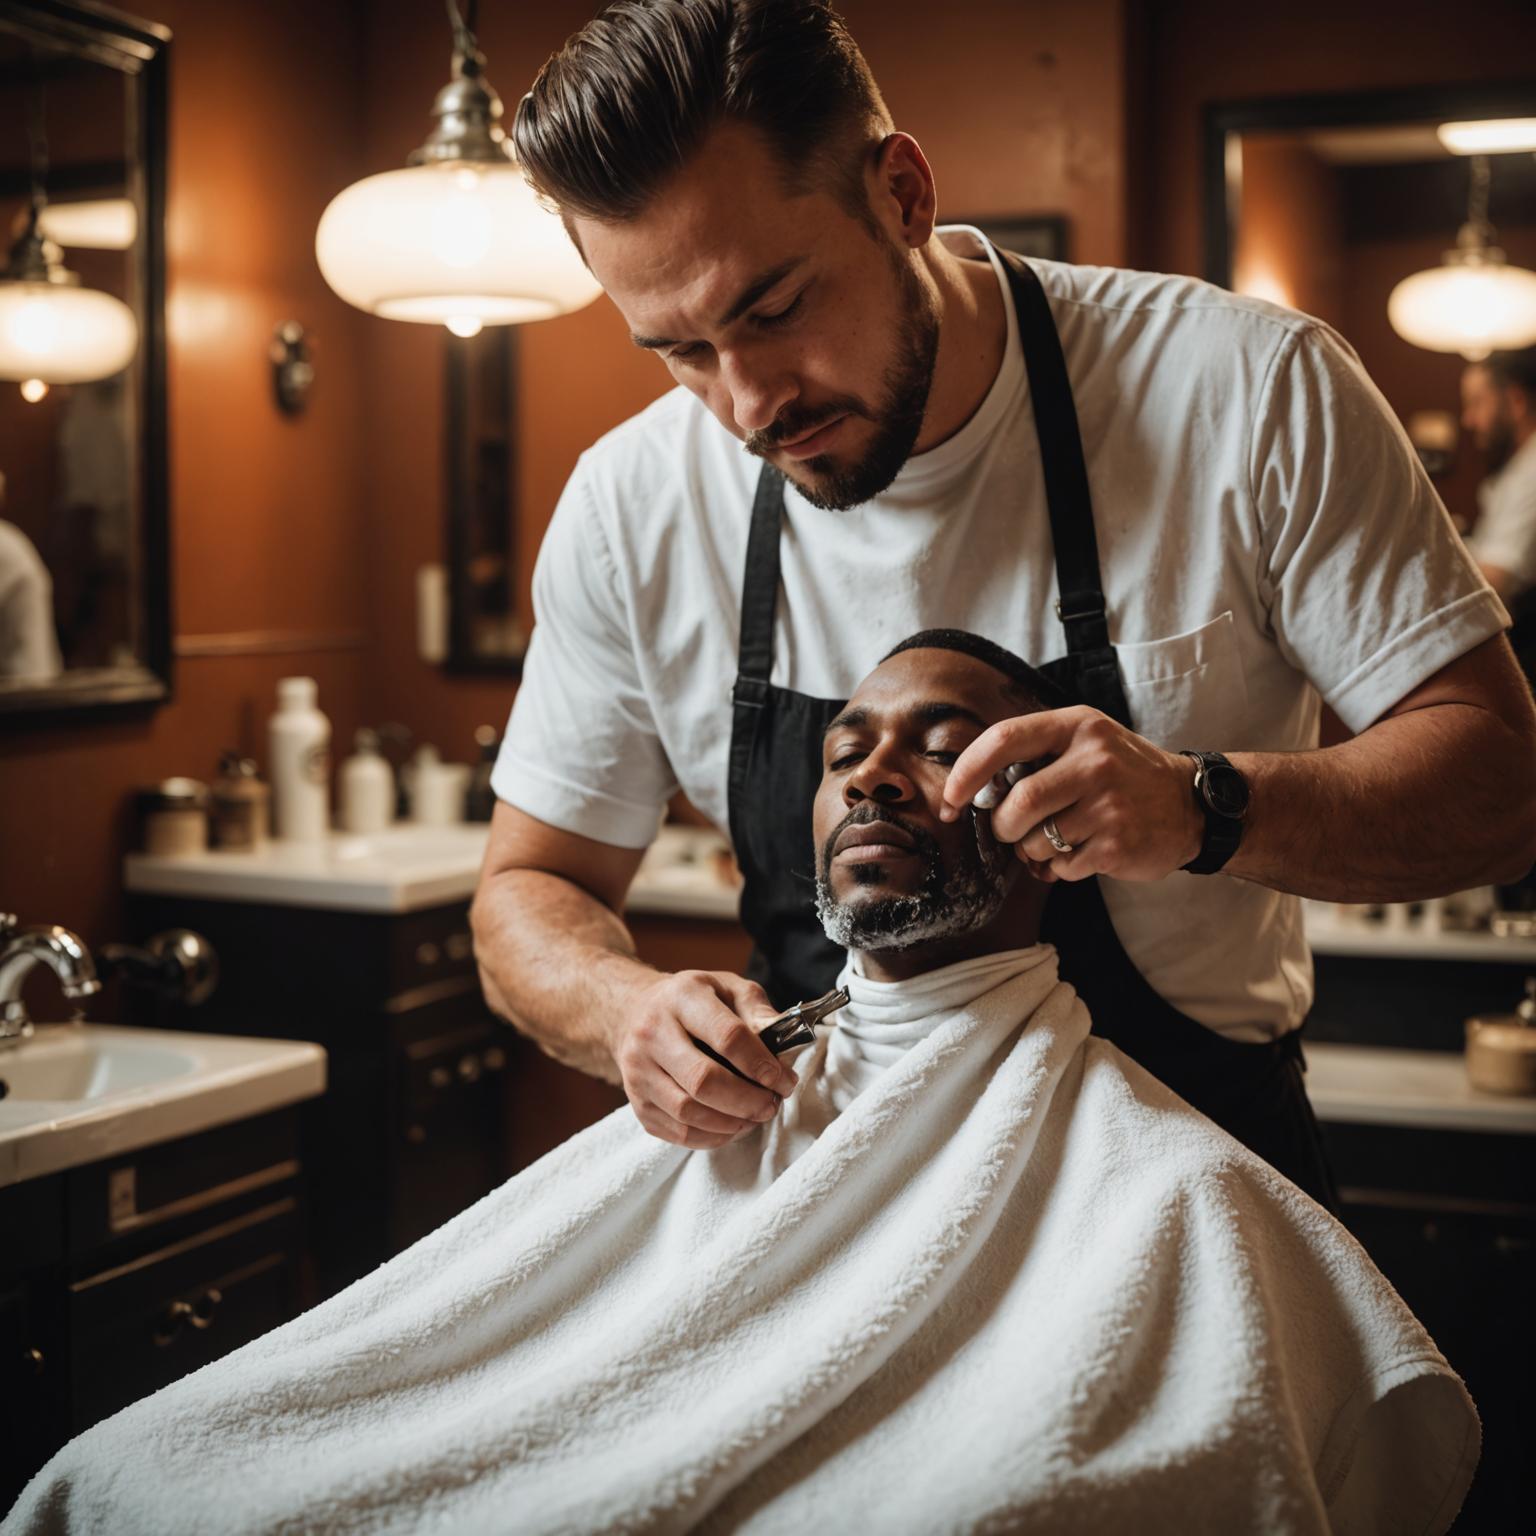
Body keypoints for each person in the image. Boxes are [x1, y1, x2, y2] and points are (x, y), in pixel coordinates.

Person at [3, 634, 1480, 1536]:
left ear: (1050, 829)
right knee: (131, 1472)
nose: (874, 774)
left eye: (941, 746)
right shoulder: (741, 1079)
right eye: (846, 754)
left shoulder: (1159, 1178)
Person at [471, 0, 1536, 1193]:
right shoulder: (634, 504)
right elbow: (528, 892)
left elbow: (1498, 783)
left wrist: (1203, 808)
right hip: (828, 1194)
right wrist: (625, 1009)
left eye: (773, 311)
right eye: (676, 349)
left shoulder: (1245, 390)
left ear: (905, 195)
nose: (748, 401)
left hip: (1191, 1197)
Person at [1461, 345, 1536, 607]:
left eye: (1476, 403)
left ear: (1516, 402)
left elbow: (1494, 582)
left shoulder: (1532, 472)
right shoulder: (1518, 467)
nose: (1468, 420)